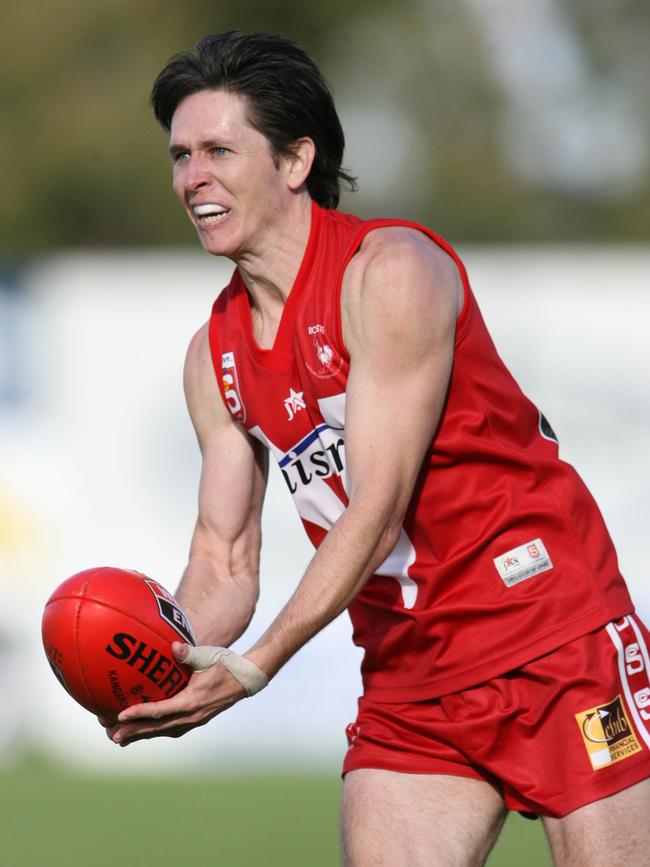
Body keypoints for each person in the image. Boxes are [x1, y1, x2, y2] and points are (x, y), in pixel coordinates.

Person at [105, 31, 650, 866]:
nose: (193, 177)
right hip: (411, 678)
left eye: (219, 149)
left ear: (295, 162)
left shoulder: (390, 272)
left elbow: (375, 505)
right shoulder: (212, 357)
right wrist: (162, 660)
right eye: (180, 155)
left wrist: (253, 668)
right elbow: (222, 562)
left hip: (553, 639)